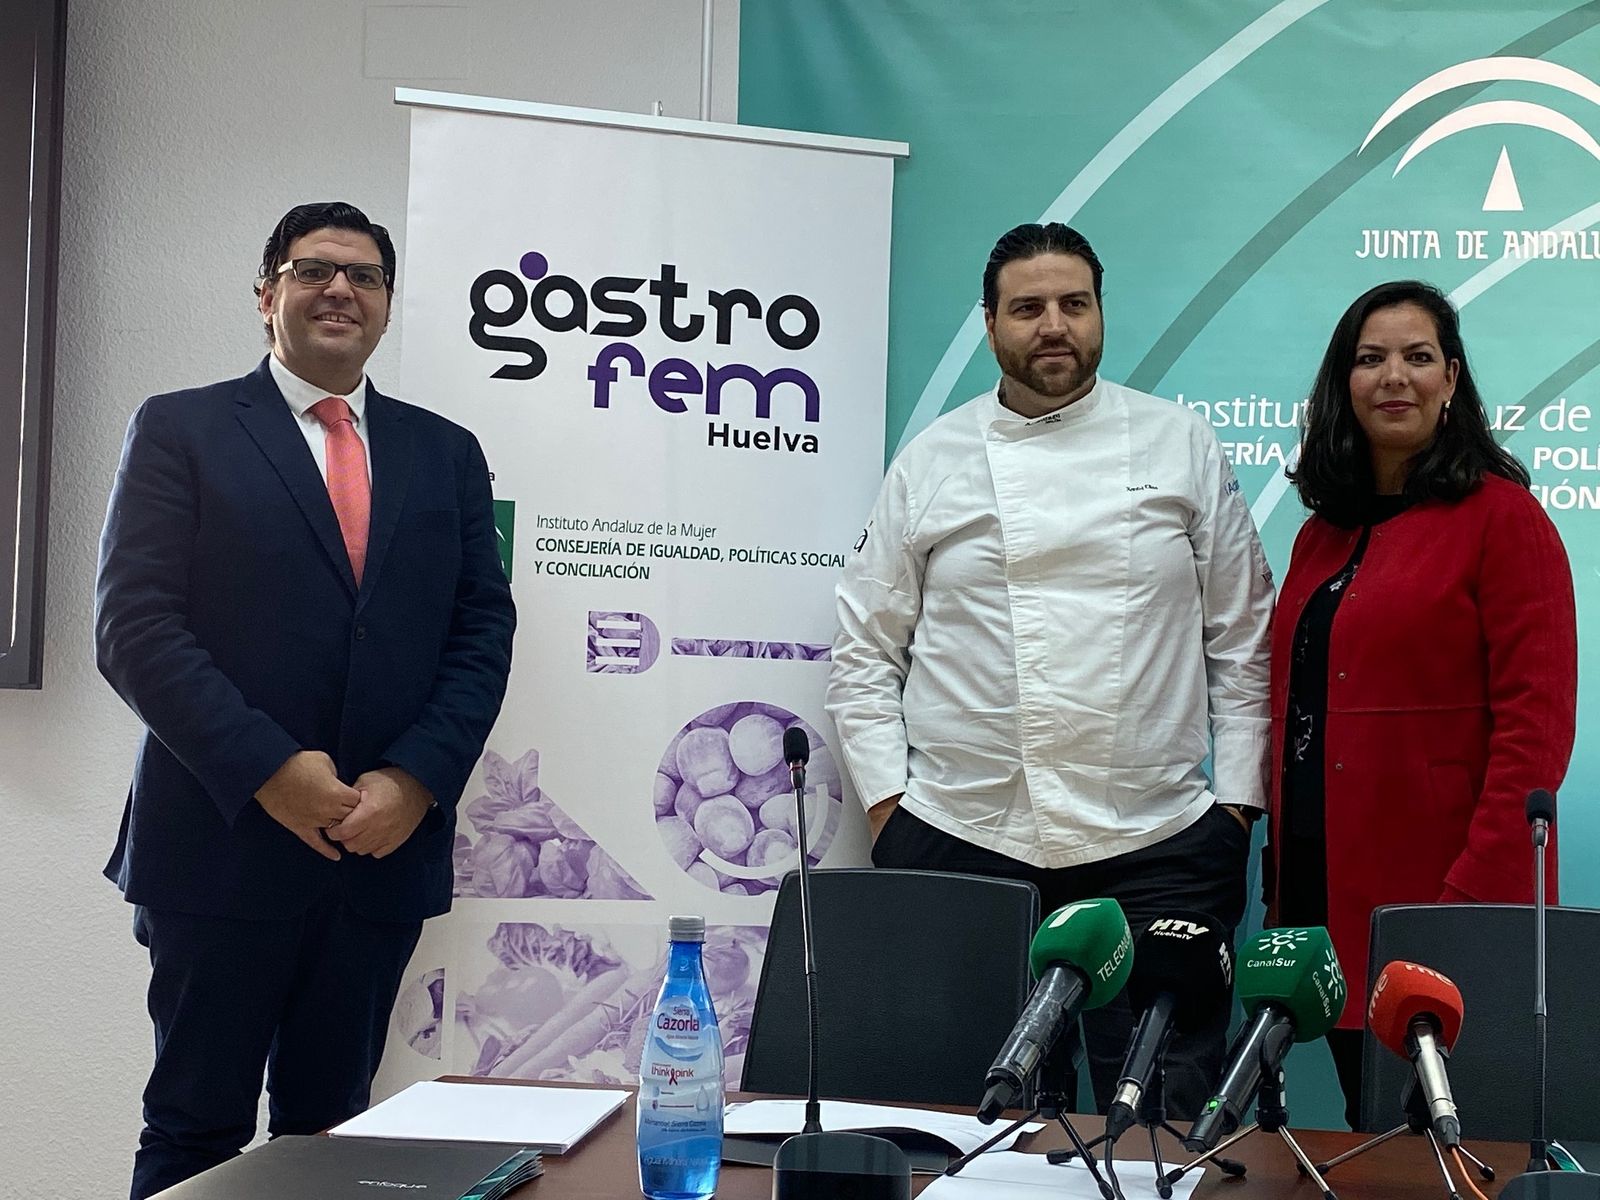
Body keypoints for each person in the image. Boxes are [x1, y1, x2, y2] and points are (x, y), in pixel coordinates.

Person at [95, 201, 517, 1199]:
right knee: (193, 1130)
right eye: (312, 269)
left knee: (337, 1143)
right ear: (266, 294)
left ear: (384, 305)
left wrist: (413, 782)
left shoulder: (442, 453)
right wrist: (272, 773)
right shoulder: (181, 426)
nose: (340, 289)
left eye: (364, 276)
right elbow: (135, 629)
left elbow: (480, 632)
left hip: (376, 856)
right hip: (220, 842)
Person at [826, 222, 1273, 1114]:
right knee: (969, 1121)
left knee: (1160, 1124)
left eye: (1075, 303)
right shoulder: (932, 463)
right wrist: (892, 815)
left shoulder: (1181, 443)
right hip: (966, 837)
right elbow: (864, 652)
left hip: (1159, 845)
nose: (1054, 324)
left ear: (1102, 313)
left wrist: (1236, 807)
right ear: (989, 326)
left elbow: (1243, 637)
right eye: (1027, 308)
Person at [1269, 279, 1576, 1129]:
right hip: (1329, 900)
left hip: (1444, 901)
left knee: (1449, 1146)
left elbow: (1535, 735)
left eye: (1417, 356)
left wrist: (1471, 904)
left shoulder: (1504, 519)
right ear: (1344, 383)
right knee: (1376, 1144)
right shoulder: (1321, 532)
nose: (1393, 376)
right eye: (1370, 359)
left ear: (1451, 379)